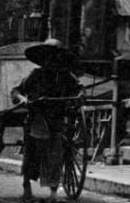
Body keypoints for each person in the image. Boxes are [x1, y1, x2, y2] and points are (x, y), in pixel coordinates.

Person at [12, 38, 81, 203]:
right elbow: (16, 91)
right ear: (44, 58)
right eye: (49, 57)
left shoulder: (66, 75)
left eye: (56, 57)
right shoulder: (36, 74)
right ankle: (26, 188)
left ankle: (53, 192)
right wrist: (22, 99)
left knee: (55, 155)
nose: (52, 60)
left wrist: (80, 97)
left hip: (57, 120)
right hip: (36, 118)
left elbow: (79, 89)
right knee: (31, 155)